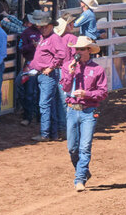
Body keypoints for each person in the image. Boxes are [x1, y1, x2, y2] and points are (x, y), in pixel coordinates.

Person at [61, 35, 108, 191]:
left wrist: (86, 94)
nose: (78, 52)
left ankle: (79, 178)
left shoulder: (97, 69)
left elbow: (103, 92)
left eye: (81, 49)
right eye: (76, 49)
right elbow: (65, 88)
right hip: (72, 110)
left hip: (89, 110)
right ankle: (83, 171)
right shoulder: (68, 66)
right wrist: (70, 73)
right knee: (72, 148)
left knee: (85, 147)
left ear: (89, 50)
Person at [27, 15, 68, 140]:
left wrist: (51, 66)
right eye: (42, 27)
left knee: (45, 104)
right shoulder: (44, 38)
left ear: (51, 26)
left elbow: (62, 54)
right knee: (50, 104)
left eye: (45, 27)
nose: (42, 29)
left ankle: (45, 133)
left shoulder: (53, 38)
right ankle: (53, 133)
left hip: (47, 75)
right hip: (42, 74)